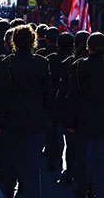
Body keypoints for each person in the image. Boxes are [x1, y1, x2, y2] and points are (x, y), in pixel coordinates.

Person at [0, 25, 51, 198]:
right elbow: (47, 94)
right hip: (36, 118)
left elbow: (3, 94)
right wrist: (48, 118)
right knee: (32, 164)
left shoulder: (7, 63)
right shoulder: (42, 63)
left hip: (12, 119)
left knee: (11, 160)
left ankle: (9, 191)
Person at [66, 32, 104, 198]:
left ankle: (82, 188)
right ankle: (99, 188)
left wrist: (70, 121)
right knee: (100, 156)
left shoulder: (79, 66)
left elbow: (73, 96)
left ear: (89, 47)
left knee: (82, 155)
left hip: (84, 116)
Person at [56, 31, 90, 184]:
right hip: (95, 115)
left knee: (72, 147)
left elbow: (65, 92)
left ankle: (71, 174)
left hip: (74, 113)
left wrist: (60, 113)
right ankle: (90, 181)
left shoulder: (70, 64)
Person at [45, 33, 74, 171]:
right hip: (70, 100)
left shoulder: (51, 59)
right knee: (70, 138)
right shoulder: (74, 61)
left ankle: (52, 160)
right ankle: (69, 168)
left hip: (53, 98)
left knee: (53, 132)